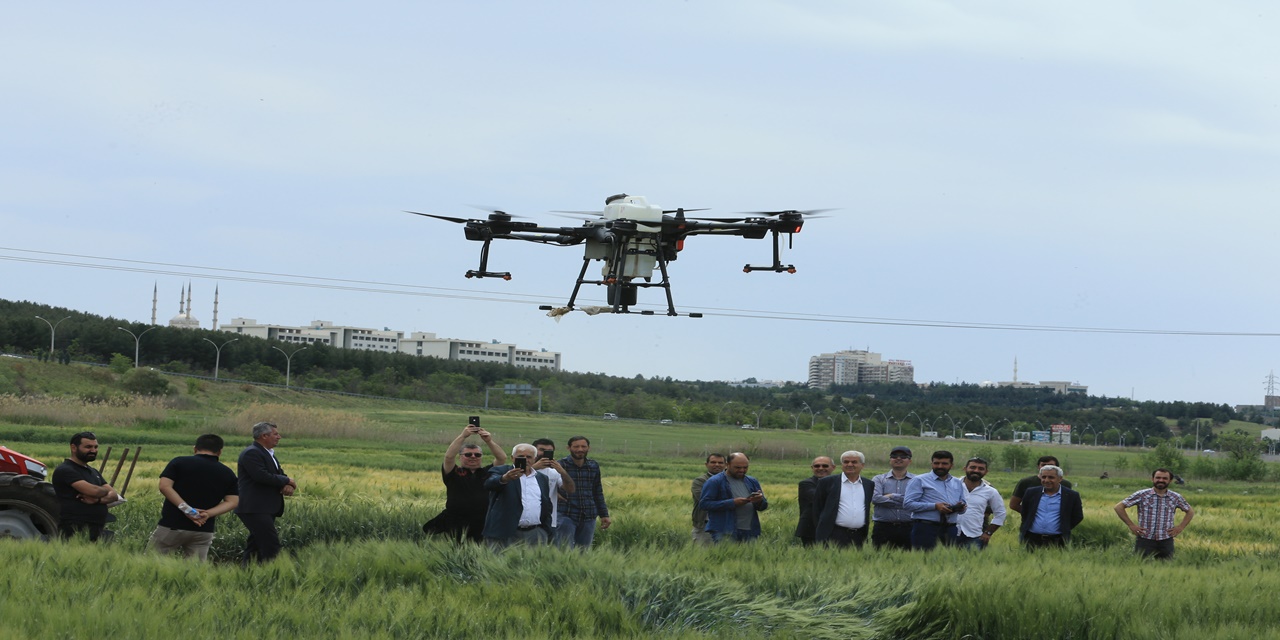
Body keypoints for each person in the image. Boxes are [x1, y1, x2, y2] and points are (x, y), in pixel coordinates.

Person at [148, 434, 240, 561]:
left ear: (195, 448)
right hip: (203, 529)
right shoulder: (228, 473)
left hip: (172, 526)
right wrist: (207, 514)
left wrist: (188, 510)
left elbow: (164, 486)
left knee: (151, 564)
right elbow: (233, 502)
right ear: (220, 452)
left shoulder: (179, 462)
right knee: (195, 571)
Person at [423, 424, 507, 542]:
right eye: (468, 454)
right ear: (460, 457)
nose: (473, 457)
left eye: (477, 455)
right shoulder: (454, 472)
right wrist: (463, 436)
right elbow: (448, 457)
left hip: (483, 522)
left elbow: (501, 458)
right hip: (456, 523)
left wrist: (489, 441)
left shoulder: (487, 472)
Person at [234, 421, 296, 564]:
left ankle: (247, 574)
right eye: (275, 434)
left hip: (264, 507)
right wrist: (287, 480)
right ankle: (275, 574)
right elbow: (261, 476)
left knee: (255, 546)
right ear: (264, 436)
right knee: (270, 545)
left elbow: (278, 474)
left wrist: (288, 483)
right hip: (254, 507)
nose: (279, 437)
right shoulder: (252, 453)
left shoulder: (268, 453)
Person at [482, 443, 552, 548]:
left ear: (535, 459)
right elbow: (489, 484)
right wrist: (505, 478)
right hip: (504, 533)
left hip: (535, 533)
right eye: (520, 457)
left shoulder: (542, 478)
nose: (525, 460)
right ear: (512, 458)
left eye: (529, 457)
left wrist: (545, 530)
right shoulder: (501, 471)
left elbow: (546, 504)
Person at [1113, 468, 1194, 560]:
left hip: (1166, 540)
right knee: (1140, 567)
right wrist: (1131, 525)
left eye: (1164, 478)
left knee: (1165, 569)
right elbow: (1118, 507)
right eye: (1158, 477)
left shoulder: (1175, 497)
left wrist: (1180, 527)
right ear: (1153, 479)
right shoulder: (1141, 494)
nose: (1161, 480)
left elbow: (1190, 511)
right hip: (1145, 539)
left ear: (1170, 481)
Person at [52, 431, 118, 541]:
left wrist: (97, 500)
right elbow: (94, 491)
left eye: (96, 447)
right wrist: (103, 491)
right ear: (74, 447)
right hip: (74, 530)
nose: (93, 450)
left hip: (96, 529)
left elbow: (114, 495)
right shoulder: (65, 470)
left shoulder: (93, 472)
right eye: (88, 447)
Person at [698, 452, 768, 543]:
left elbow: (764, 505)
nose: (742, 470)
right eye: (738, 467)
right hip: (724, 530)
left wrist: (759, 501)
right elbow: (704, 504)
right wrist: (733, 503)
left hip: (750, 530)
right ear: (728, 464)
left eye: (745, 467)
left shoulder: (752, 481)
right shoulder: (715, 481)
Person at [556, 436, 611, 549]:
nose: (580, 449)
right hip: (566, 514)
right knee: (564, 550)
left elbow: (597, 491)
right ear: (568, 448)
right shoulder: (560, 465)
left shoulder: (593, 466)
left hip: (588, 515)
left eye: (583, 446)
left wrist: (604, 514)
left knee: (583, 553)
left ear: (588, 448)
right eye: (576, 446)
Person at [903, 450, 965, 550]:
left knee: (949, 562)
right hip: (925, 528)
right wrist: (935, 506)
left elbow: (963, 503)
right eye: (936, 463)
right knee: (924, 561)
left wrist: (961, 508)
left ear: (951, 465)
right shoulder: (919, 480)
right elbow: (908, 504)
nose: (940, 466)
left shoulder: (957, 482)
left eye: (944, 463)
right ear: (931, 464)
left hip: (950, 528)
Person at [813, 450, 874, 548]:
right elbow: (817, 509)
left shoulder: (868, 484)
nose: (849, 464)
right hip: (834, 534)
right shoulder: (827, 482)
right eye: (846, 462)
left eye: (854, 462)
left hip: (859, 536)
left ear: (862, 465)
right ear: (842, 464)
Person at [1019, 465, 1084, 549]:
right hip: (1031, 539)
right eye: (1044, 477)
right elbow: (1025, 512)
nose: (1046, 480)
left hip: (1058, 540)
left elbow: (1078, 516)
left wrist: (1064, 527)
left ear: (1060, 479)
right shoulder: (1031, 493)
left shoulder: (1071, 495)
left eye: (1051, 477)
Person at [954, 457, 1006, 550]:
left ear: (986, 472)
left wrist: (988, 532)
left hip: (974, 536)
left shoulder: (991, 491)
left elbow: (1000, 513)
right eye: (973, 467)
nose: (976, 470)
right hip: (949, 534)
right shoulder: (952, 485)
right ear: (965, 468)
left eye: (981, 469)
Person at [871, 445, 916, 550]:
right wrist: (905, 501)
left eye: (903, 456)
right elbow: (875, 499)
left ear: (910, 461)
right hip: (883, 528)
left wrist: (891, 496)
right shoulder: (878, 479)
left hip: (909, 527)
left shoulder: (917, 480)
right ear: (890, 460)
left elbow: (917, 502)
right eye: (894, 456)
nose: (898, 458)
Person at [532, 438, 575, 536]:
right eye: (542, 450)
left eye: (549, 451)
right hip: (525, 522)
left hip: (548, 521)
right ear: (533, 451)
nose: (544, 454)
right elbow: (513, 481)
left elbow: (570, 489)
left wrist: (562, 472)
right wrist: (534, 468)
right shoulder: (521, 469)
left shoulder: (554, 473)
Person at [1009, 455, 1074, 515]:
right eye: (1043, 465)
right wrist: (1032, 515)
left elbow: (1070, 508)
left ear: (1057, 468)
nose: (1047, 467)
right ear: (1038, 467)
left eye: (1051, 465)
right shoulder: (1026, 482)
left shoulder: (1065, 484)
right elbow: (1013, 504)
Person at [794, 456, 833, 546]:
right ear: (812, 468)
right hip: (811, 529)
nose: (821, 468)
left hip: (834, 529)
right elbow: (818, 498)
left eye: (825, 466)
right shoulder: (806, 484)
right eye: (817, 466)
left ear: (833, 467)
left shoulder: (838, 483)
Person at [691, 453, 726, 545]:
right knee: (703, 555)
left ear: (726, 465)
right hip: (705, 525)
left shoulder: (732, 480)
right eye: (713, 462)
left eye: (720, 462)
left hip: (727, 525)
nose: (717, 465)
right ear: (706, 465)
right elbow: (704, 500)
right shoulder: (700, 481)